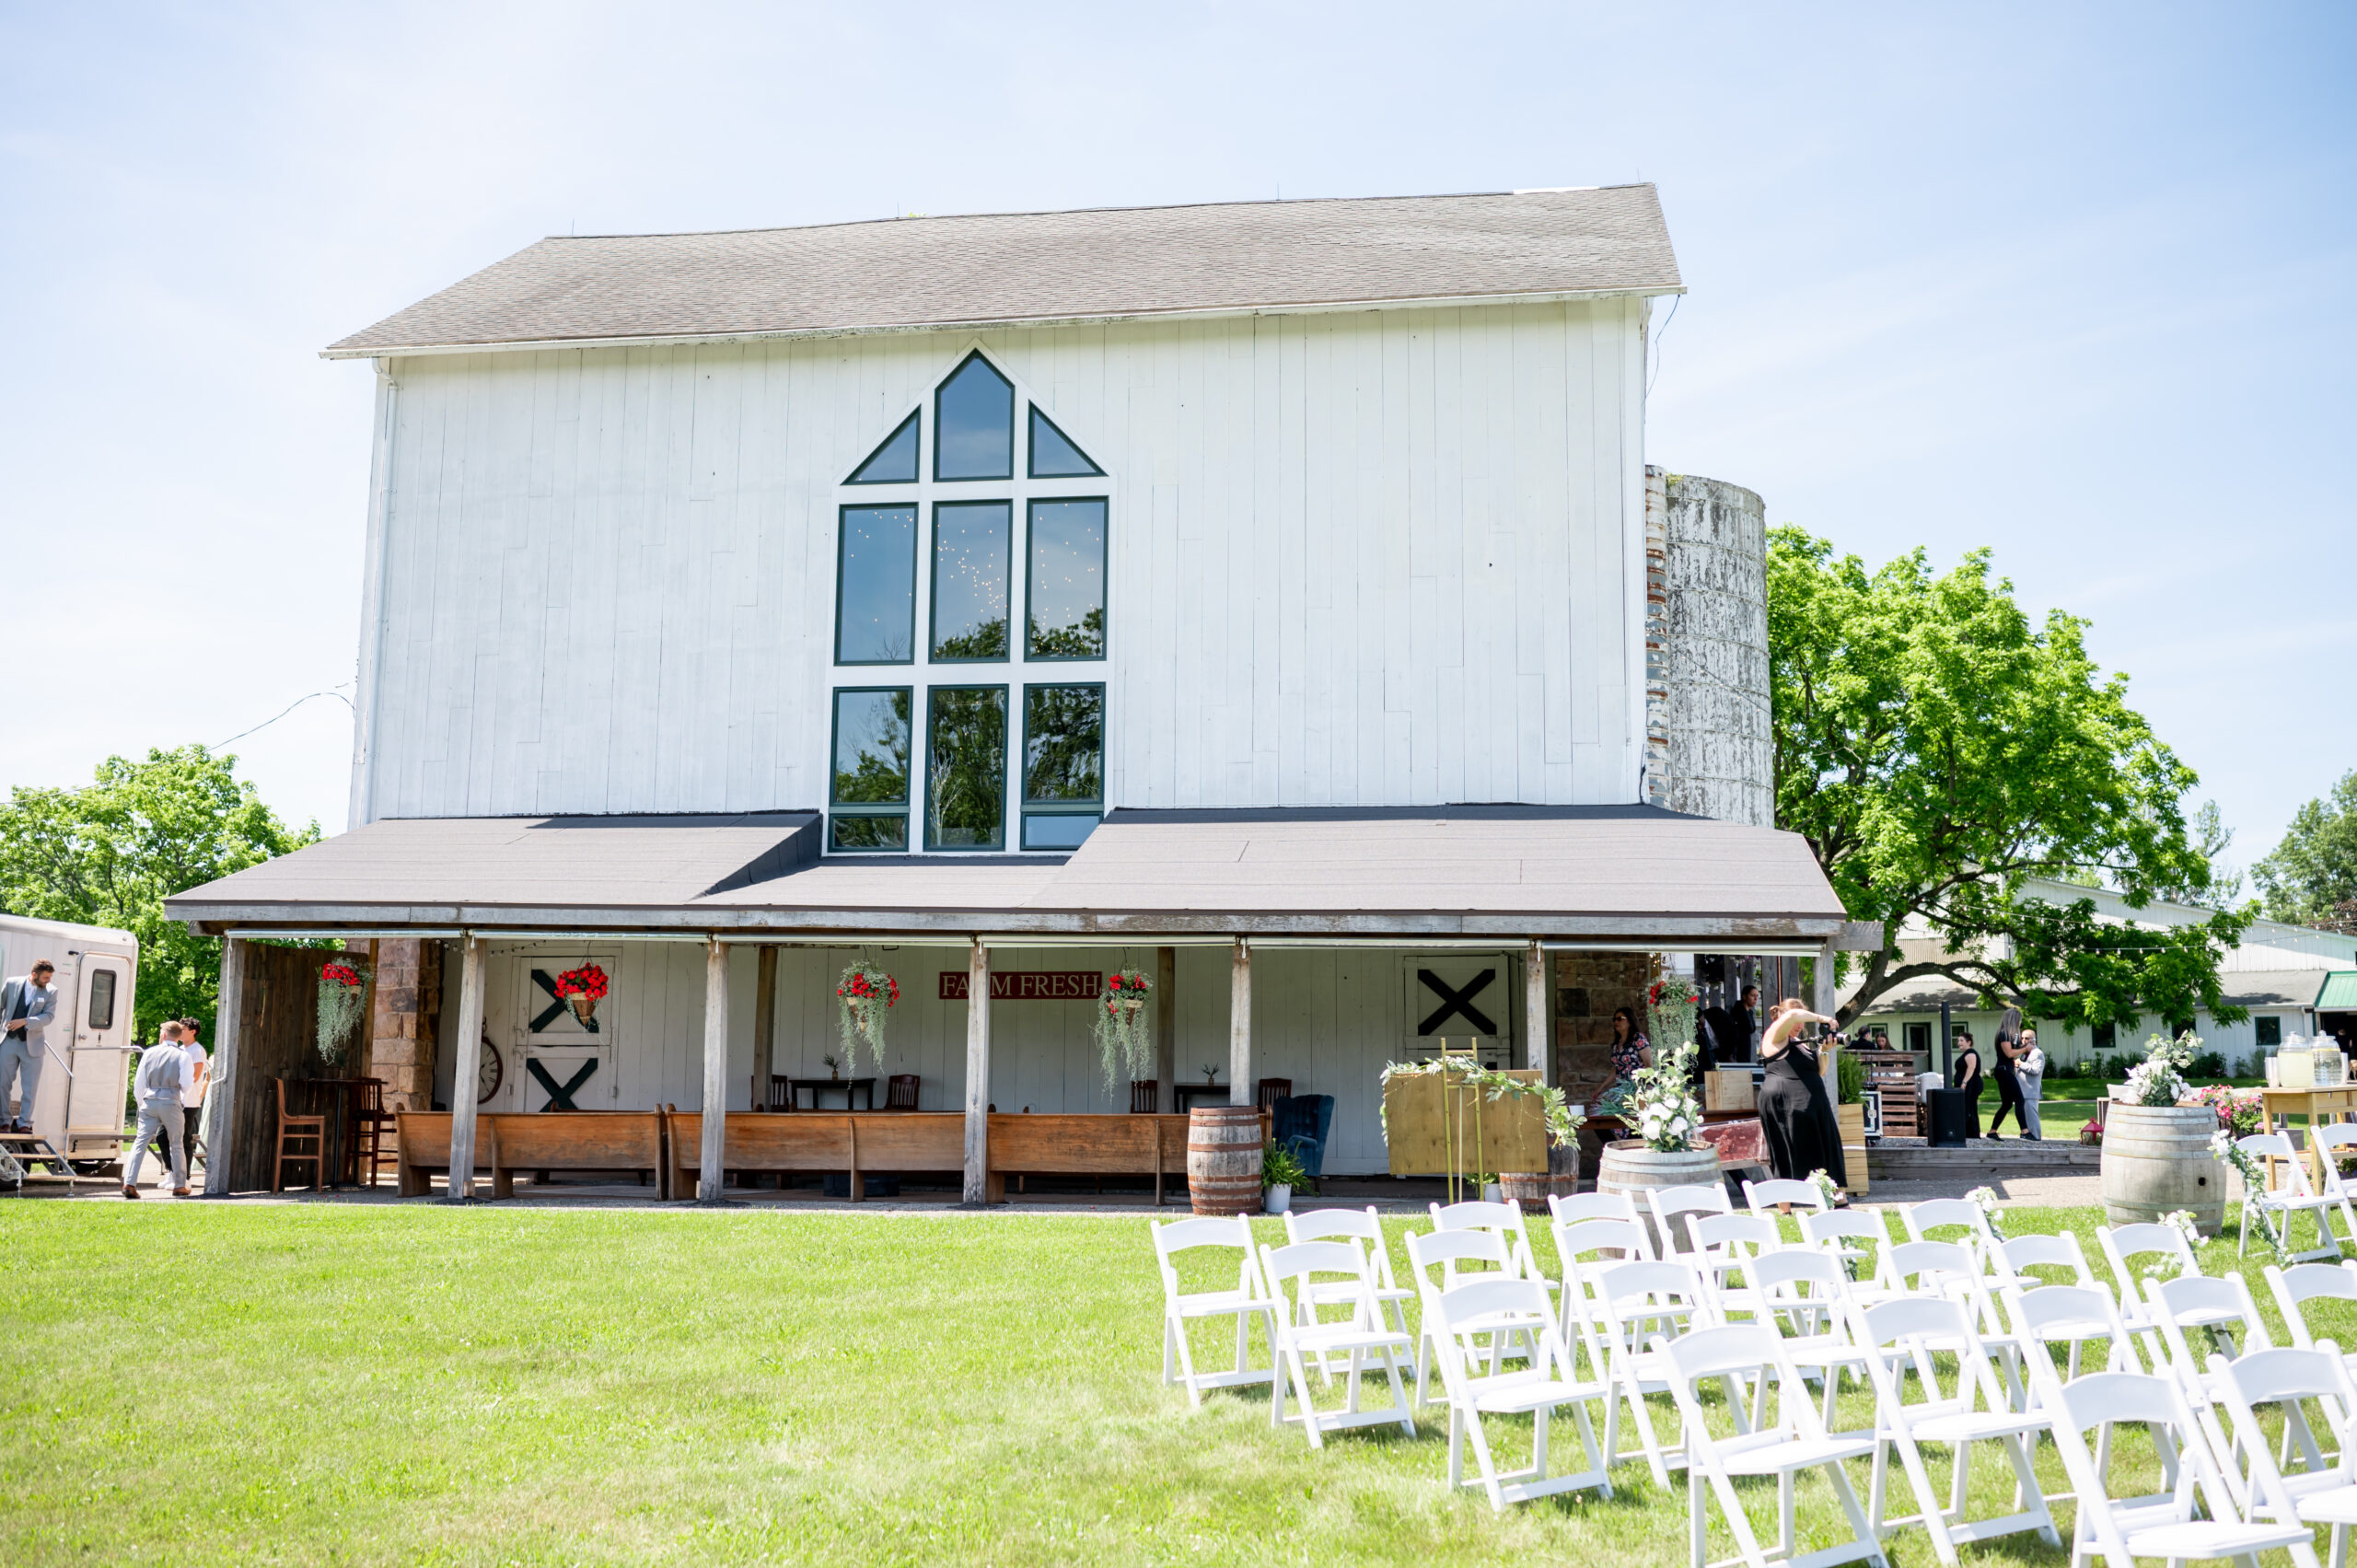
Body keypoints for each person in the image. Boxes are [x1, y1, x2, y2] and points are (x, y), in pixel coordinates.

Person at [1757, 997, 1849, 1196]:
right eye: (1797, 1021)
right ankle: (1787, 1205)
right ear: (1781, 1018)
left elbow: (1821, 1071)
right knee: (1789, 1151)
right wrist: (1824, 1019)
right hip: (1786, 1104)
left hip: (1811, 1105)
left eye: (1802, 1022)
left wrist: (1824, 1050)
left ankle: (1832, 1197)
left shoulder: (1799, 1042)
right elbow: (1791, 1015)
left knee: (1825, 1148)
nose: (1799, 1025)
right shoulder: (1775, 1036)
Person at [123, 1023, 193, 1198]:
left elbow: (139, 1083)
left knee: (140, 1143)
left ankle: (129, 1183)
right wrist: (177, 1096)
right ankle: (179, 1185)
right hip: (171, 1100)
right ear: (178, 1036)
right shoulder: (182, 1056)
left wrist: (142, 1103)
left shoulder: (149, 1053)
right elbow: (186, 1084)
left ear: (163, 1034)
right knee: (176, 1144)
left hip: (150, 1099)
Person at [0, 959, 58, 1132]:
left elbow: (48, 1016)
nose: (48, 980)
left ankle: (25, 1123)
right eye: (45, 977)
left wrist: (25, 1021)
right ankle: (4, 1120)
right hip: (8, 1041)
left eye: (50, 977)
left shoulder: (51, 991)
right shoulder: (11, 984)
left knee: (29, 1087)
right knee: (2, 1083)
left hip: (32, 1046)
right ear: (34, 975)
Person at [153, 1016, 209, 1172]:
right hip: (174, 1100)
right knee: (162, 1137)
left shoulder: (197, 1050)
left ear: (193, 1031)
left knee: (184, 1139)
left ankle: (185, 1176)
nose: (180, 1031)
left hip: (188, 1101)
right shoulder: (180, 1049)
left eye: (183, 1029)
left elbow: (196, 1076)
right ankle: (173, 1171)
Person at [1988, 1022, 2029, 1140]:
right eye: (2019, 1020)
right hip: (2004, 1071)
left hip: (2005, 1071)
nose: (2020, 1023)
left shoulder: (2009, 1035)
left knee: (2007, 1104)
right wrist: (2025, 1048)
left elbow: (2014, 1050)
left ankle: (1992, 1131)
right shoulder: (2004, 1034)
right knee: (2019, 1099)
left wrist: (2024, 1047)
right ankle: (2025, 1132)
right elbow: (2009, 1053)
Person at [1952, 1030, 1985, 1141]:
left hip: (1971, 1085)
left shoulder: (1970, 1053)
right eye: (1958, 1041)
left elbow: (1971, 1068)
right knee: (1966, 1108)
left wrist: (1964, 1082)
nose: (1959, 1043)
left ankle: (1972, 1134)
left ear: (1969, 1042)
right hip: (1968, 1085)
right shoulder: (1966, 1053)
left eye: (1961, 1040)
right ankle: (1967, 1132)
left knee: (1969, 1108)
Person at [2016, 1027, 2045, 1142]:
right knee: (2026, 1116)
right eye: (2022, 1038)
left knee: (2032, 1117)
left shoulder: (2037, 1053)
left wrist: (2020, 1064)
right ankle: (2028, 1136)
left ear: (2034, 1040)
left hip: (2030, 1091)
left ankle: (2036, 1138)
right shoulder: (2025, 1053)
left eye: (2026, 1038)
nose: (2023, 1040)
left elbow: (2036, 1070)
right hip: (2023, 1091)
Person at [1608, 1006, 1652, 1081]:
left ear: (1630, 1021)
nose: (1616, 1022)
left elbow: (1649, 1064)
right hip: (1621, 1087)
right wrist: (1600, 1089)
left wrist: (1649, 1085)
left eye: (1619, 1019)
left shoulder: (1638, 1038)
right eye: (1614, 1019)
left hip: (1638, 1087)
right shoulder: (1617, 1044)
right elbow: (1617, 1069)